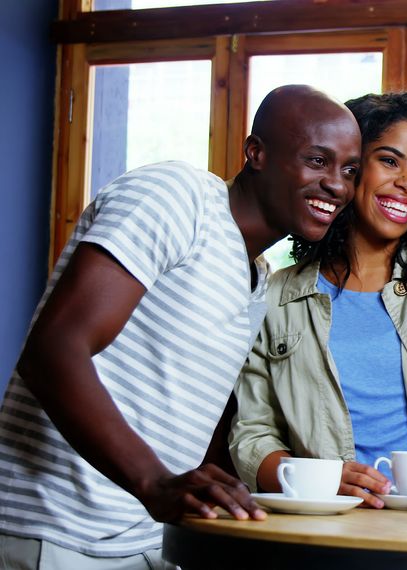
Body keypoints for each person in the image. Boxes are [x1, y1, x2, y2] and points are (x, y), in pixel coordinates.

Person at [0, 85, 361, 568]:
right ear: (256, 152)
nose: (337, 185)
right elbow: (53, 350)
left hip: (147, 543)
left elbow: (189, 421)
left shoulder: (257, 279)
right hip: (58, 535)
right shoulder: (177, 196)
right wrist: (153, 482)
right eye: (317, 161)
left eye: (350, 170)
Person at [230, 92, 407, 513]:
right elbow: (252, 432)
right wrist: (316, 480)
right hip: (315, 529)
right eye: (390, 161)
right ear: (351, 169)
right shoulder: (277, 294)